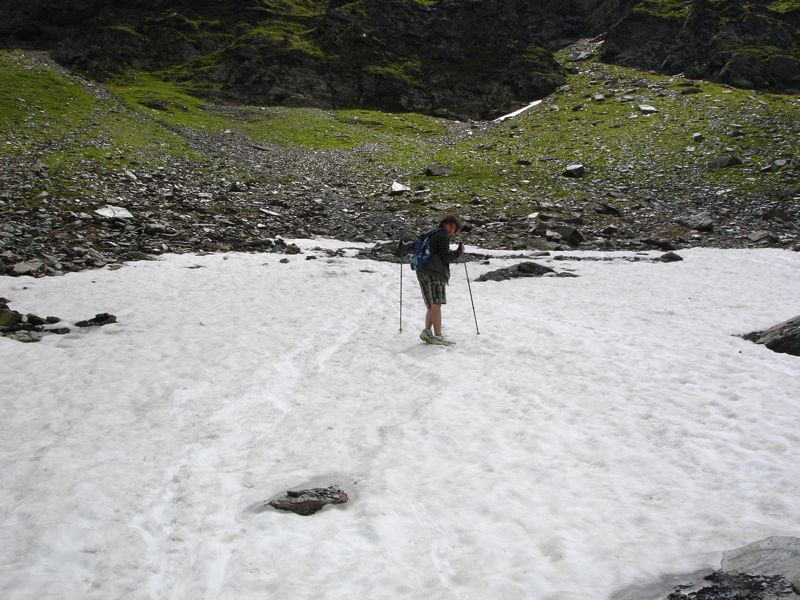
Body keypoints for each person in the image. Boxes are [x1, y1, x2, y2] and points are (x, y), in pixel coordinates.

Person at [417, 215, 464, 345]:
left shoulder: (432, 233)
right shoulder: (442, 235)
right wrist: (459, 251)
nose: (451, 230)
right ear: (444, 224)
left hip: (422, 270)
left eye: (454, 228)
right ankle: (438, 336)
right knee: (436, 303)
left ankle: (427, 331)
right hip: (435, 271)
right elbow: (445, 257)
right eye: (450, 226)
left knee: (432, 304)